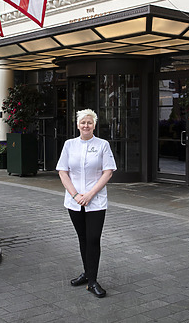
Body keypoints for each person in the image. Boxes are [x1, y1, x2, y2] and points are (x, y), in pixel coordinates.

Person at [56, 109, 117, 298]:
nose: (86, 125)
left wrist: (89, 194)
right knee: (83, 238)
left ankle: (92, 281)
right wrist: (75, 195)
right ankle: (87, 274)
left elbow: (108, 172)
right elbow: (62, 171)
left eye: (89, 122)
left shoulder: (102, 145)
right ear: (77, 125)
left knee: (93, 239)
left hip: (95, 201)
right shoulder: (69, 145)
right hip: (74, 202)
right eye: (83, 122)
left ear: (94, 125)